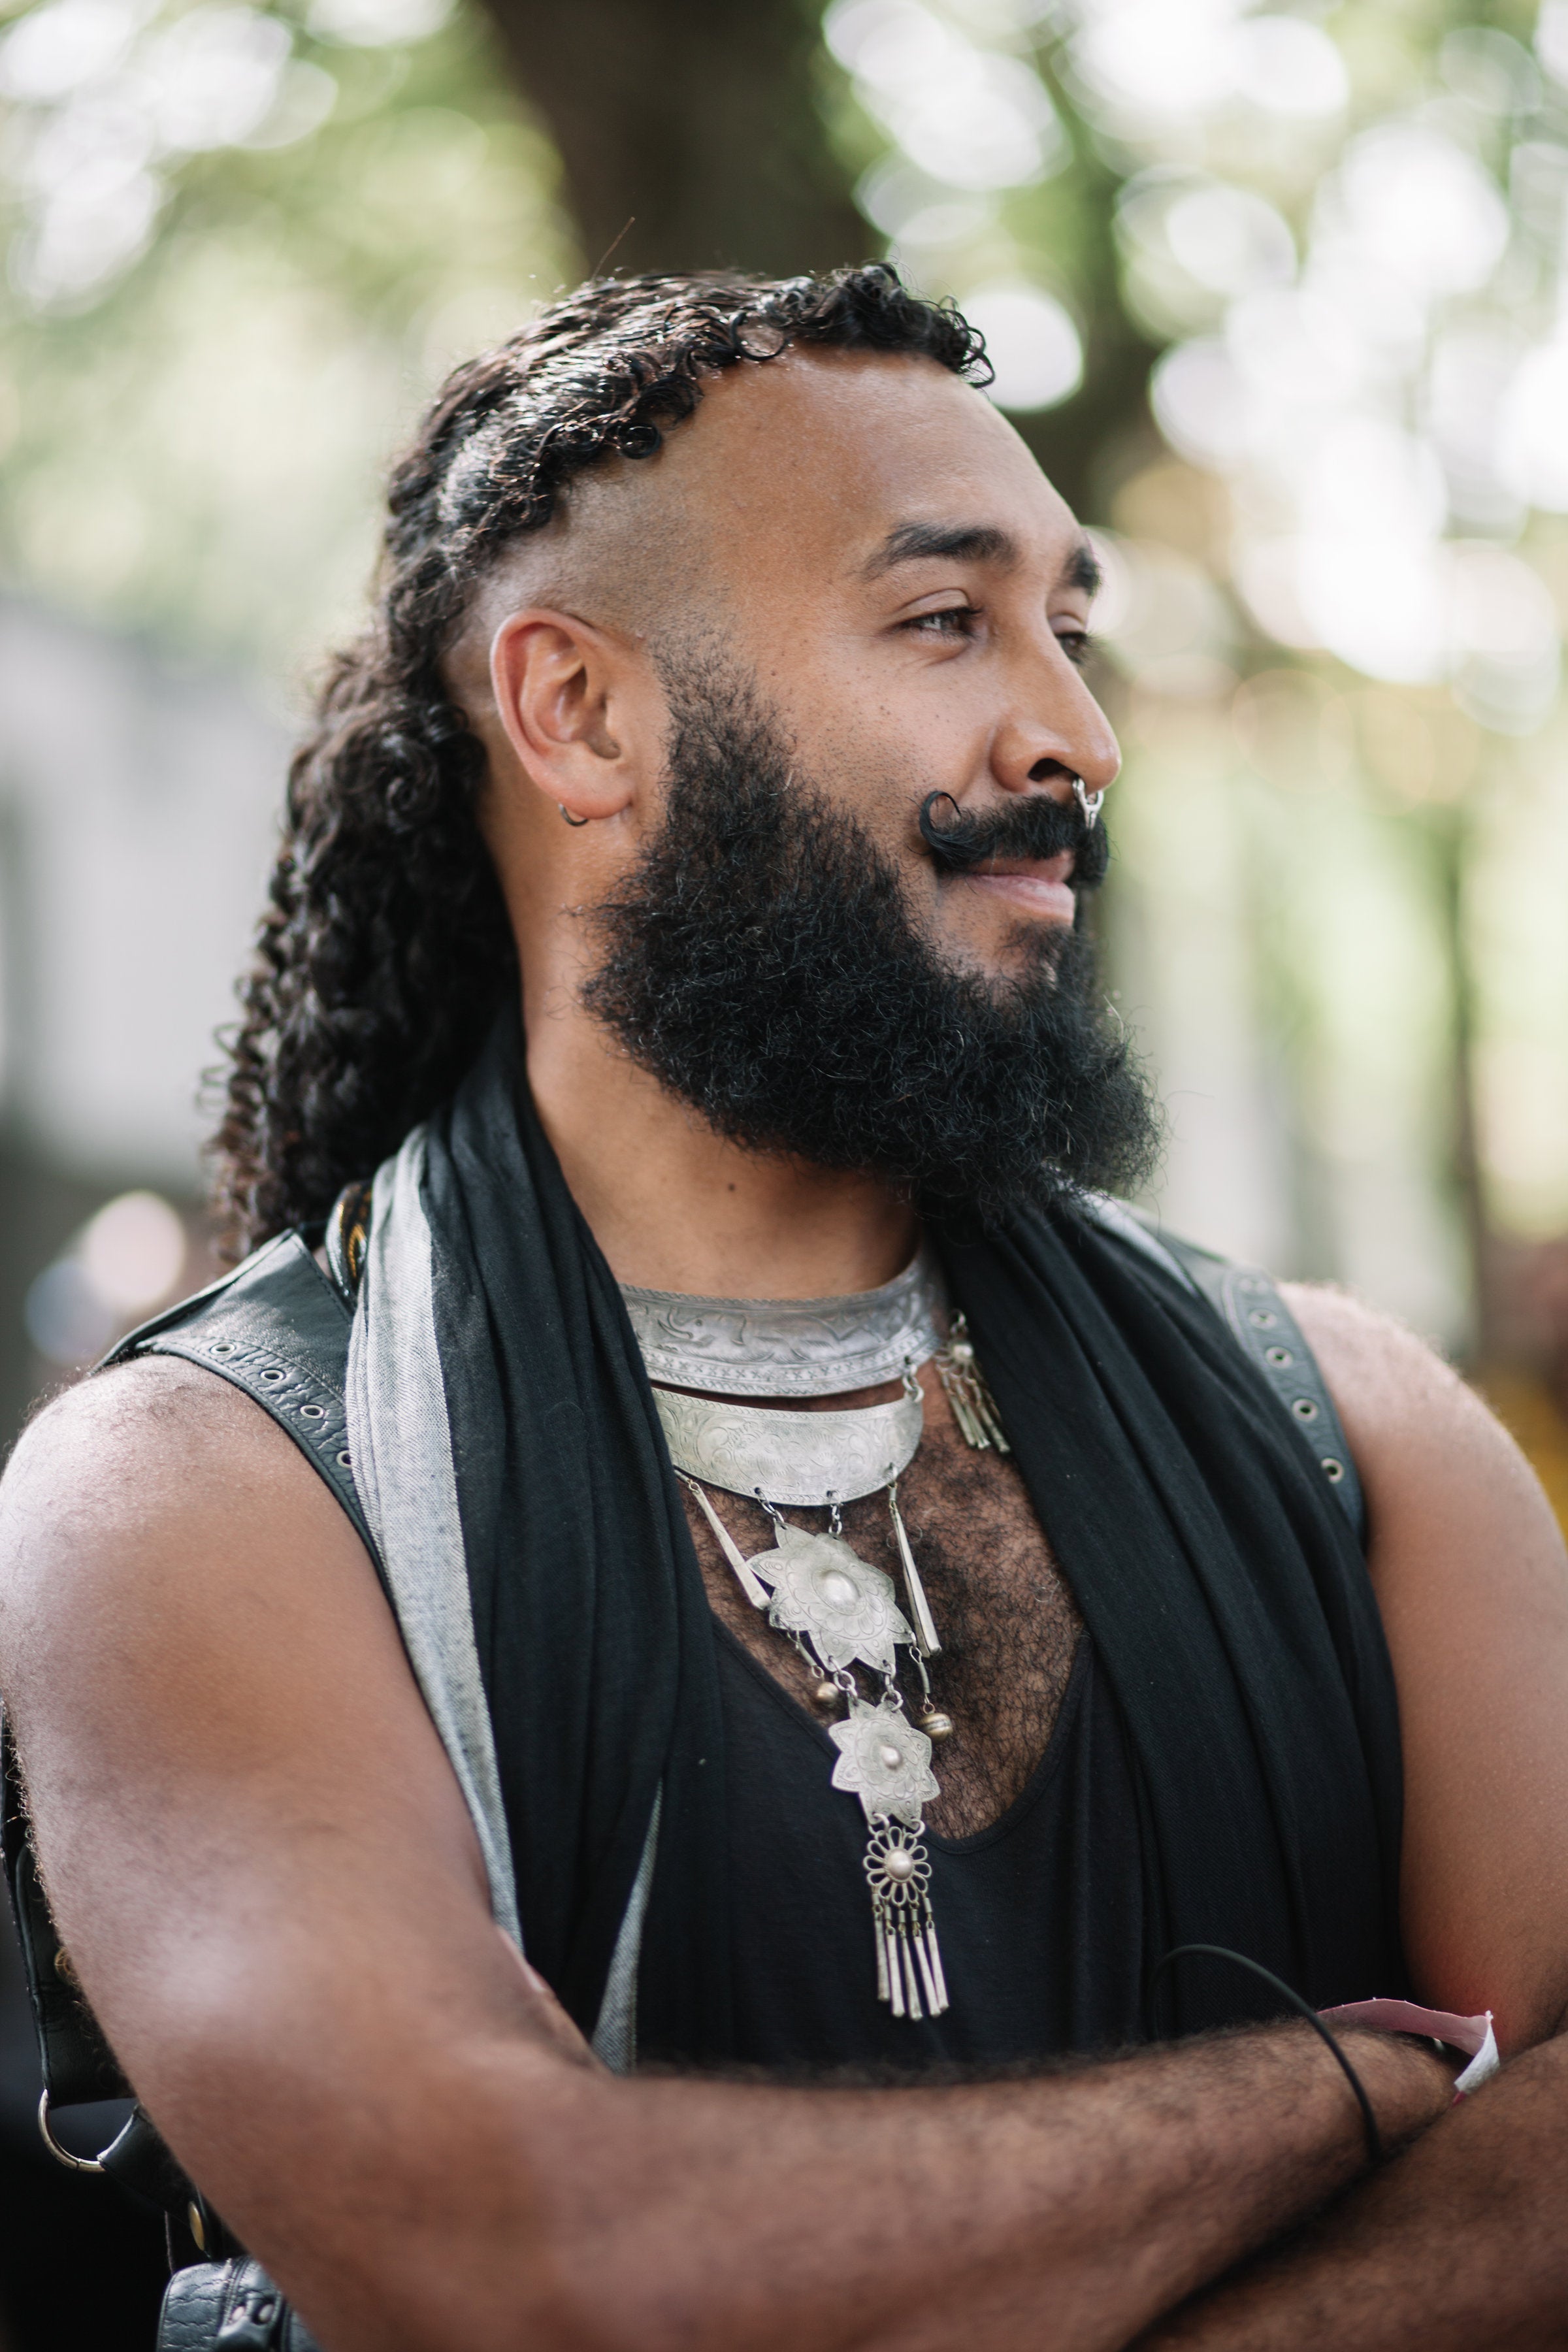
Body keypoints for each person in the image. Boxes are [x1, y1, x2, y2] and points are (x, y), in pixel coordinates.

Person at [2, 265, 1566, 2352]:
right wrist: (1348, 2084)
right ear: (579, 713)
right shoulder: (210, 1489)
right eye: (945, 620)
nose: (1074, 737)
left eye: (1072, 630)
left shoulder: (1350, 1431)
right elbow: (510, 2255)